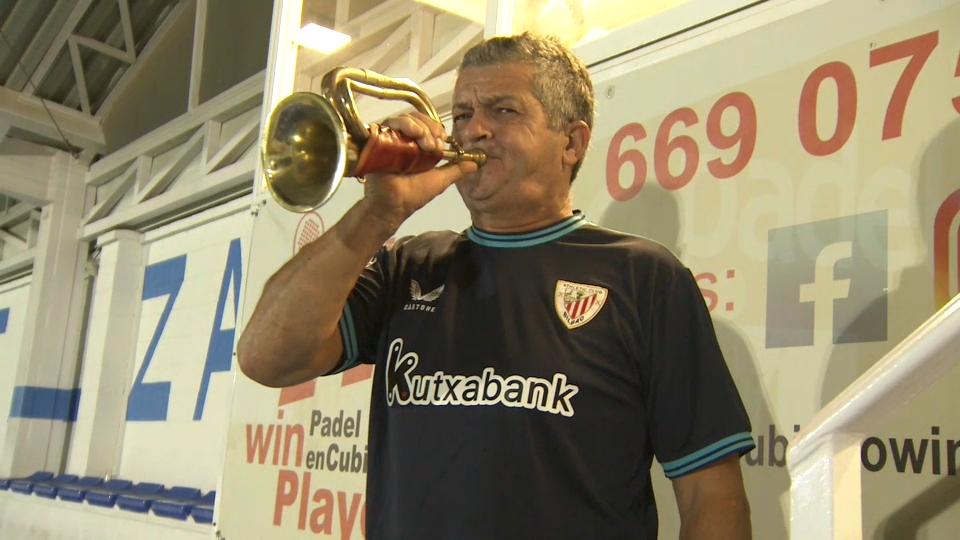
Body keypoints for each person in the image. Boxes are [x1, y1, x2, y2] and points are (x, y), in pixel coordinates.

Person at [238, 32, 755, 540]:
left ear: (571, 142)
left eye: (503, 111)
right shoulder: (410, 264)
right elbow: (265, 356)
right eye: (462, 114)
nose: (473, 131)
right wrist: (378, 212)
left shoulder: (645, 278)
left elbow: (711, 496)